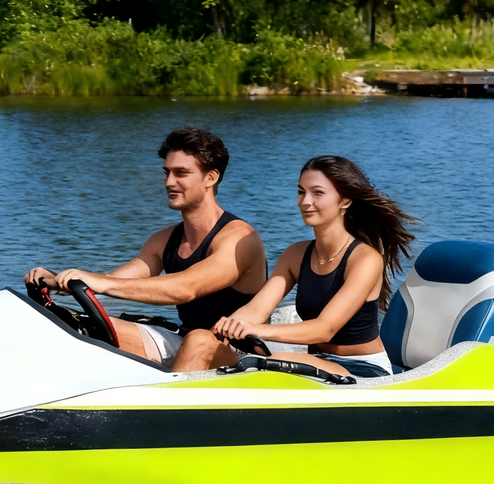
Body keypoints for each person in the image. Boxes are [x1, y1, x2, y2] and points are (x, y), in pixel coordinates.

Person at [24, 128, 266, 369]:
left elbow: (186, 288)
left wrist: (101, 283)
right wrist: (59, 282)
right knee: (75, 323)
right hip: (184, 339)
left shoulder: (240, 238)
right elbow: (115, 280)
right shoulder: (164, 239)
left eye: (181, 173)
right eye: (167, 172)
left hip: (241, 353)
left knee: (199, 340)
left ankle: (166, 392)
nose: (169, 182)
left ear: (210, 178)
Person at [177, 155, 417, 378]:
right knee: (199, 340)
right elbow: (256, 310)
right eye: (301, 192)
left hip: (361, 368)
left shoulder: (365, 259)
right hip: (317, 361)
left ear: (345, 201)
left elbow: (325, 329)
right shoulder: (296, 254)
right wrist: (225, 327)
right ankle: (171, 400)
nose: (305, 202)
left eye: (317, 193)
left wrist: (256, 330)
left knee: (260, 364)